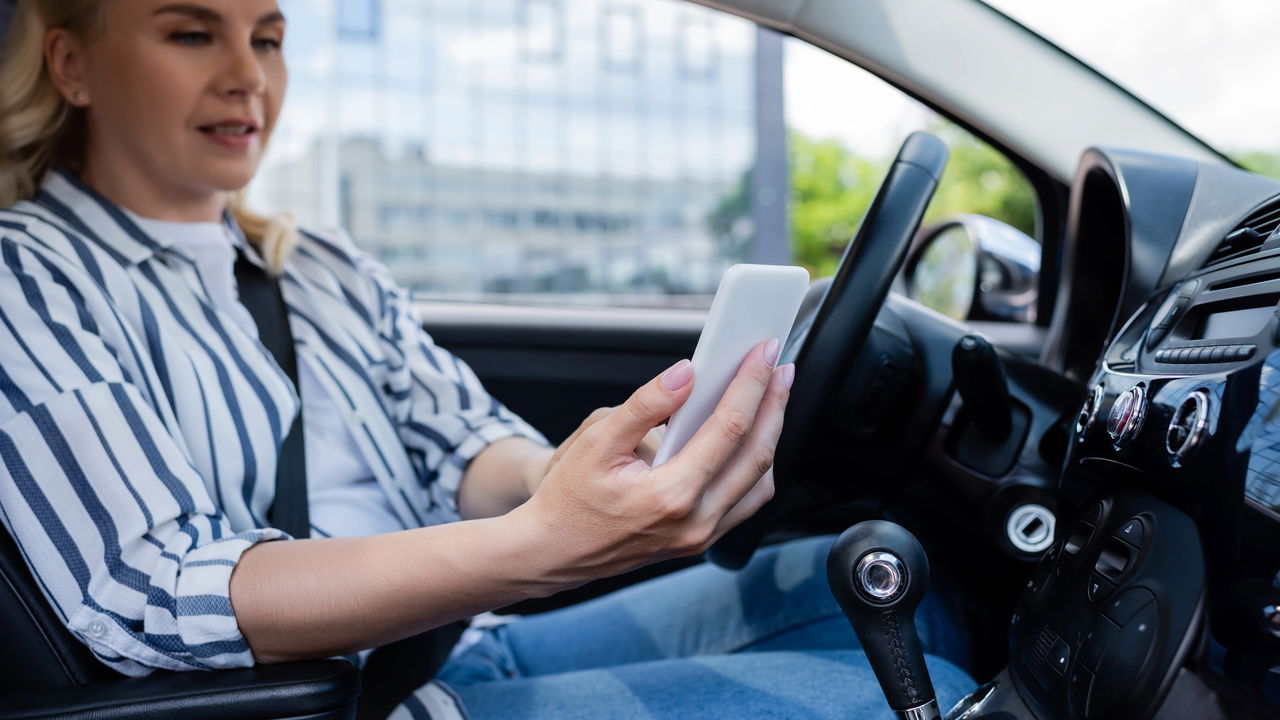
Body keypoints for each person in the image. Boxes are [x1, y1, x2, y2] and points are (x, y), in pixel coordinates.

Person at [0, 1, 973, 717]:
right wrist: (538, 546)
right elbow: (158, 590)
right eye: (189, 31)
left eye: (267, 37)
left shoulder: (319, 264)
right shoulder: (26, 276)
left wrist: (574, 473)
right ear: (72, 65)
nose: (246, 76)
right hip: (325, 706)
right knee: (905, 691)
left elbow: (461, 445)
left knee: (894, 592)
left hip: (461, 649)